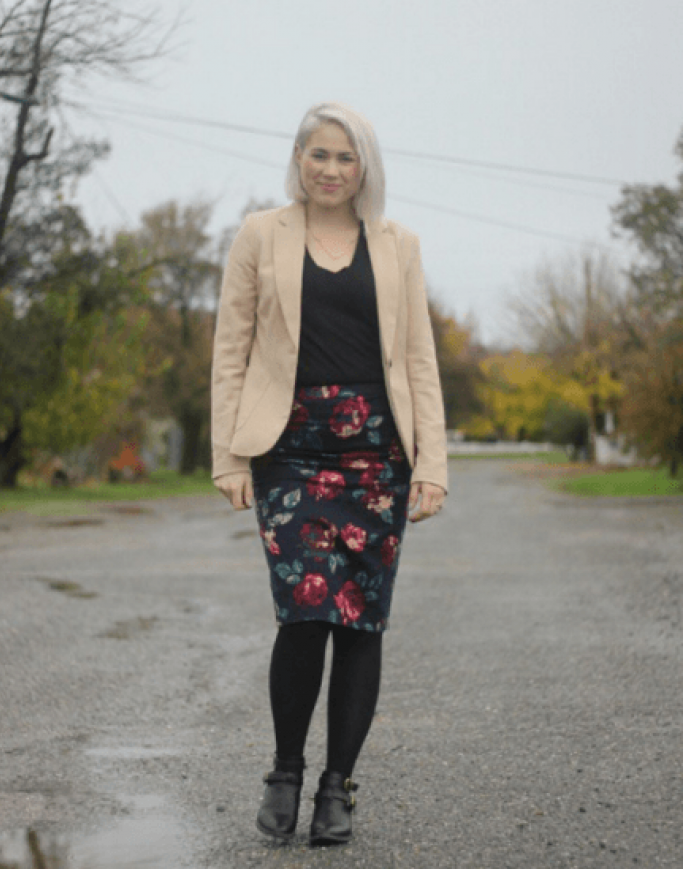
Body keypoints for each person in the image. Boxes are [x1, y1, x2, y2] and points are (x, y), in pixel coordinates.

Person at [211, 101, 447, 847]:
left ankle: (336, 786)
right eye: (319, 155)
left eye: (346, 158)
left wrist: (432, 463)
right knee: (306, 611)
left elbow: (418, 358)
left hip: (378, 454)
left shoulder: (398, 244)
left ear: (364, 167)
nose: (331, 170)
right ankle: (284, 769)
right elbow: (231, 350)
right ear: (299, 158)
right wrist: (228, 454)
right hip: (289, 449)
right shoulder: (259, 234)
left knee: (361, 621)